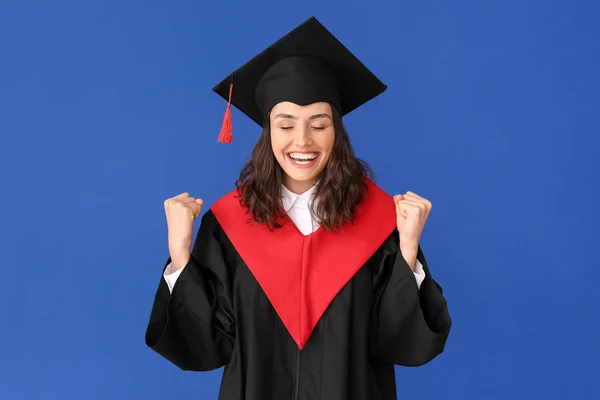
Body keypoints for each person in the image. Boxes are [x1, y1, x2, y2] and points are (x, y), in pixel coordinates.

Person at [145, 16, 451, 400]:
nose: (302, 141)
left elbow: (401, 345)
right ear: (267, 132)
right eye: (286, 124)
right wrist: (179, 257)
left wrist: (407, 251)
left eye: (318, 124)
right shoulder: (228, 226)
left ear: (336, 132)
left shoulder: (381, 221)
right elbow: (207, 347)